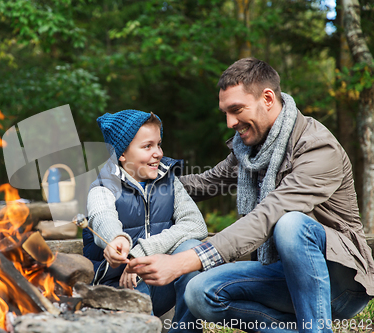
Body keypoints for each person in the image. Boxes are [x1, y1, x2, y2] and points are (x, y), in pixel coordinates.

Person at [127, 58, 374, 333]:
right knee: (199, 292)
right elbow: (206, 183)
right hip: (281, 276)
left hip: (339, 284)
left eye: (236, 110)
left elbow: (268, 215)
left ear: (267, 98)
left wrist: (183, 261)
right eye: (225, 112)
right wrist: (136, 182)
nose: (230, 122)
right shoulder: (249, 151)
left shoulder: (317, 148)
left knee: (290, 224)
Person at [83, 109, 209, 318]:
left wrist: (140, 254)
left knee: (192, 249)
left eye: (158, 144)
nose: (158, 153)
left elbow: (196, 225)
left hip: (160, 280)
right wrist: (115, 240)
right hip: (120, 287)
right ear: (121, 154)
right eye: (147, 146)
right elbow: (102, 218)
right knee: (133, 287)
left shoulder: (169, 181)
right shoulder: (103, 187)